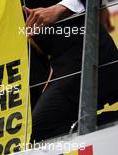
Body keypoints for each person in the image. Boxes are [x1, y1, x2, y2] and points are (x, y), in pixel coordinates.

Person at [24, 0, 118, 142]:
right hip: (58, 68)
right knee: (35, 129)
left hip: (86, 54)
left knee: (39, 129)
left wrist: (60, 8)